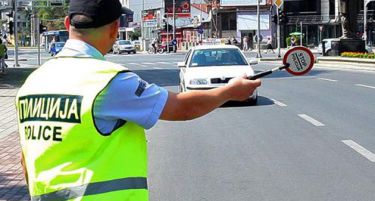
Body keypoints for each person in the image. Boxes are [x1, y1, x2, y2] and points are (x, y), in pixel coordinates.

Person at [15, 0, 261, 200]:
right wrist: (230, 91)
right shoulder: (109, 81)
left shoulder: (33, 82)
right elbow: (184, 108)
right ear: (114, 29)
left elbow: (26, 158)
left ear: (68, 23)